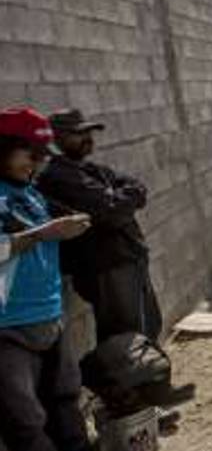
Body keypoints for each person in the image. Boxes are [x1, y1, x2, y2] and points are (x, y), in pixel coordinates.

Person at [0, 107, 137, 451]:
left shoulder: (32, 191)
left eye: (40, 154)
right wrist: (43, 234)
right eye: (28, 153)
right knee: (23, 419)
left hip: (47, 316)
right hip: (8, 329)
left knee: (63, 398)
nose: (36, 162)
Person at [37, 109, 164, 343]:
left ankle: (152, 376)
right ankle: (132, 380)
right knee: (125, 335)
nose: (88, 138)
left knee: (148, 325)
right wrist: (122, 199)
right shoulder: (57, 176)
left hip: (127, 256)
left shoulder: (90, 169)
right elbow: (112, 211)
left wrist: (122, 197)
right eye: (79, 133)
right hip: (105, 264)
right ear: (58, 138)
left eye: (89, 132)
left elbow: (137, 187)